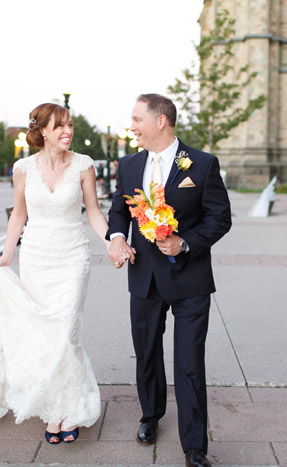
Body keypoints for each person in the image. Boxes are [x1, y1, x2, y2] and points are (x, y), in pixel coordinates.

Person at [0, 103, 127, 445]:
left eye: (70, 126)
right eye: (59, 126)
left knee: (65, 333)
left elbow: (93, 212)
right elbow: (19, 215)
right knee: (44, 335)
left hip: (72, 256)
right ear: (43, 131)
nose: (67, 132)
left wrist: (113, 240)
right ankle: (53, 408)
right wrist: (6, 255)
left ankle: (69, 409)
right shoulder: (22, 169)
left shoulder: (84, 166)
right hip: (35, 257)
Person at [106, 94, 232, 467]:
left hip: (190, 278)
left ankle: (194, 446)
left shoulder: (202, 164)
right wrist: (116, 238)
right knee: (146, 353)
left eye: (137, 119)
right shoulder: (128, 165)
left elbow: (220, 217)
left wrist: (186, 242)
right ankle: (150, 415)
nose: (132, 126)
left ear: (161, 121)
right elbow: (117, 210)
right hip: (144, 277)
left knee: (190, 361)